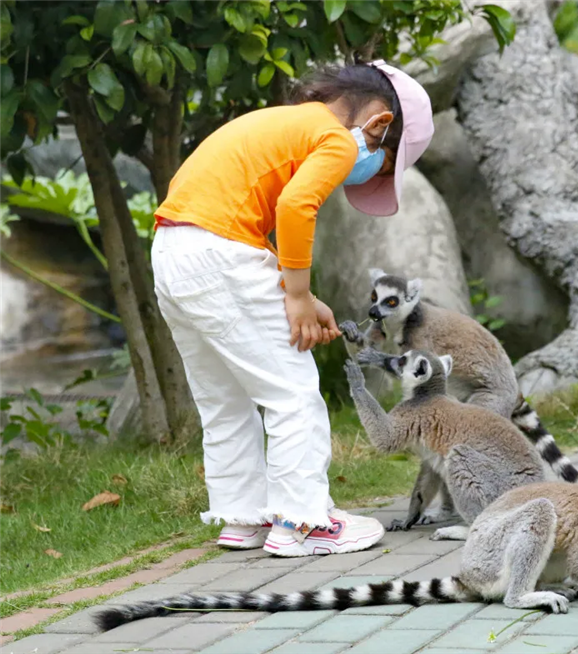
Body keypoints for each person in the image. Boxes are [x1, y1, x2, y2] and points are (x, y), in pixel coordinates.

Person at [149, 60, 434, 557]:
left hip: (174, 251)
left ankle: (242, 517)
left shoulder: (285, 121)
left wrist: (298, 294)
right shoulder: (339, 138)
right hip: (222, 255)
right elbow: (295, 207)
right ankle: (304, 522)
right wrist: (297, 295)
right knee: (293, 392)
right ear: (379, 124)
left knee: (224, 399)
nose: (369, 170)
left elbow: (236, 215)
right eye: (385, 163)